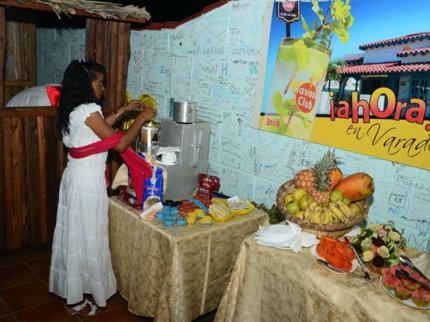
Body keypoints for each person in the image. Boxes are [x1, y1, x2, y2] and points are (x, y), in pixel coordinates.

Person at [49, 59, 156, 317]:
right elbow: (118, 144)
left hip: (75, 178)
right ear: (87, 85)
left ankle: (72, 295)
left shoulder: (75, 108)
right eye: (100, 83)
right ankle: (77, 298)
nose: (103, 88)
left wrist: (122, 110)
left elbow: (98, 128)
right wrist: (140, 118)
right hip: (86, 182)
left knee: (75, 237)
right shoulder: (88, 109)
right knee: (88, 237)